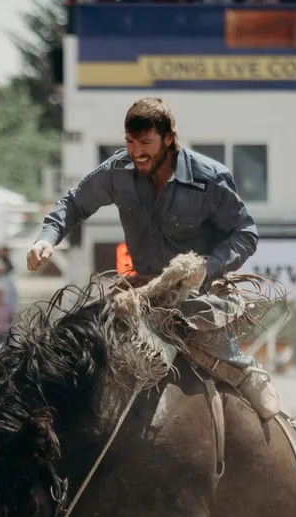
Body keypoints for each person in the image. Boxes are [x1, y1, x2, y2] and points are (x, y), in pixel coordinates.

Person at [25, 97, 276, 419]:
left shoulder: (210, 178)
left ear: (169, 138)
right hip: (140, 292)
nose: (136, 152)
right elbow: (74, 203)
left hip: (199, 292)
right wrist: (46, 239)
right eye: (130, 142)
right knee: (85, 340)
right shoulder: (117, 171)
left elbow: (245, 234)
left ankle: (249, 373)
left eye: (146, 143)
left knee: (203, 327)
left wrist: (206, 268)